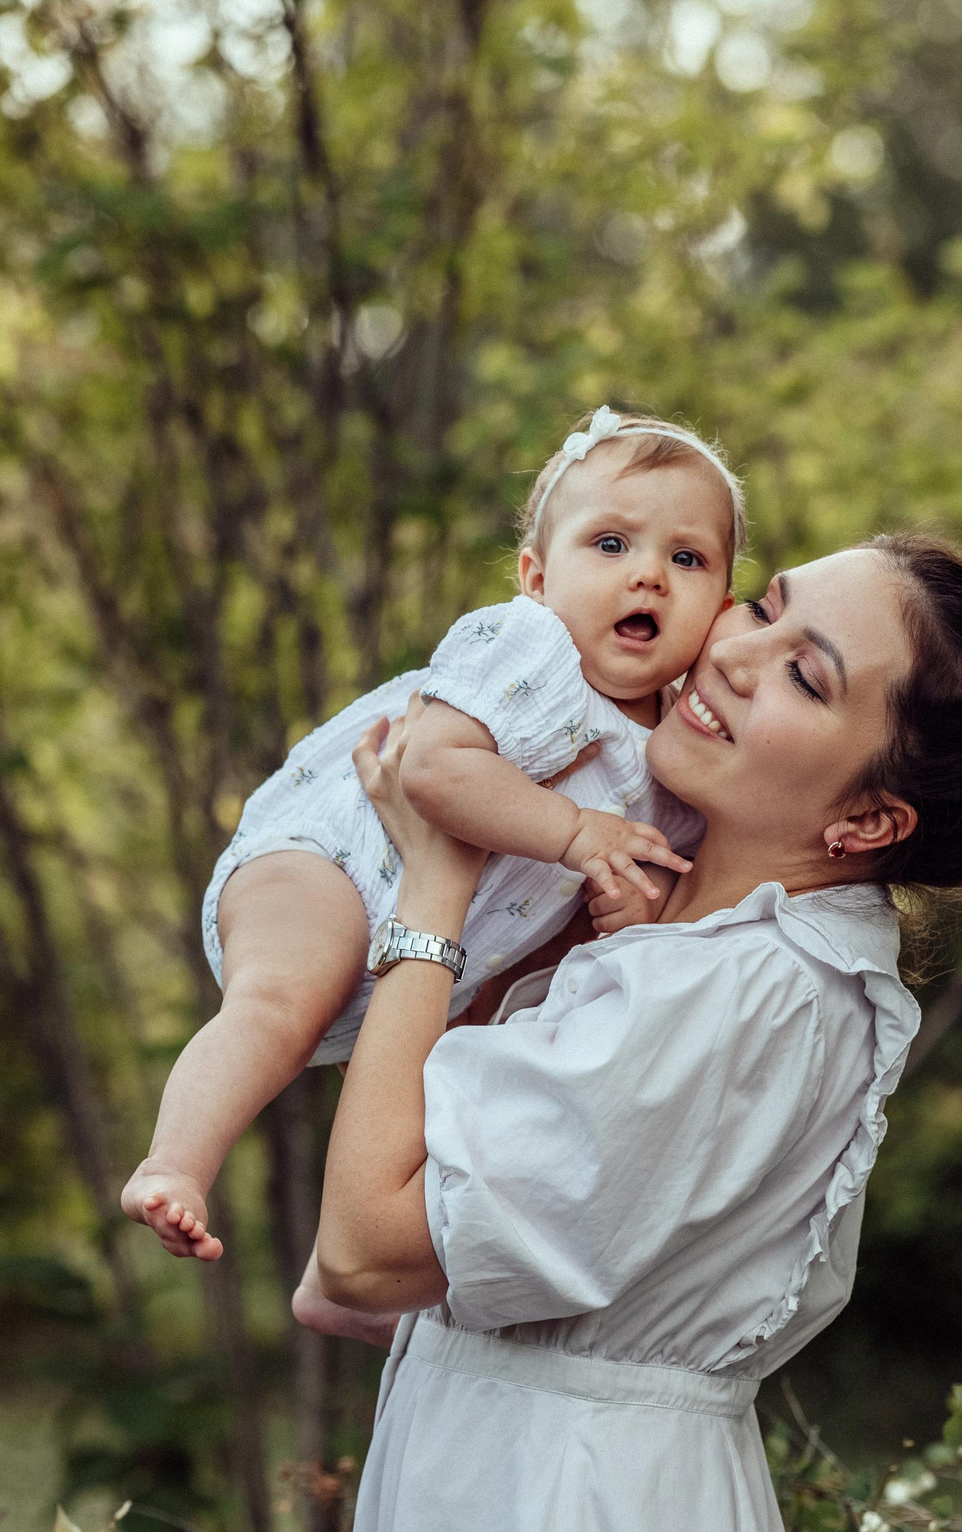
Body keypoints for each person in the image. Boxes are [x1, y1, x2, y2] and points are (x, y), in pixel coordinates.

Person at [311, 533, 962, 1531]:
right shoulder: (695, 942)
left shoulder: (749, 996)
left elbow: (363, 1252)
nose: (732, 652)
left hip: (562, 1494)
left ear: (868, 818)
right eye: (764, 607)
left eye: (805, 677)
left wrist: (436, 886)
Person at [123, 408, 750, 1264]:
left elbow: (625, 897)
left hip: (441, 954)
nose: (648, 577)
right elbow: (431, 770)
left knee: (454, 1090)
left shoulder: (674, 763)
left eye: (687, 558)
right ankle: (177, 1164)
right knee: (277, 1005)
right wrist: (575, 833)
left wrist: (628, 904)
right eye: (611, 545)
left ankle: (349, 1284)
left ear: (720, 601)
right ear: (535, 575)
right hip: (326, 863)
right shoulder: (530, 651)